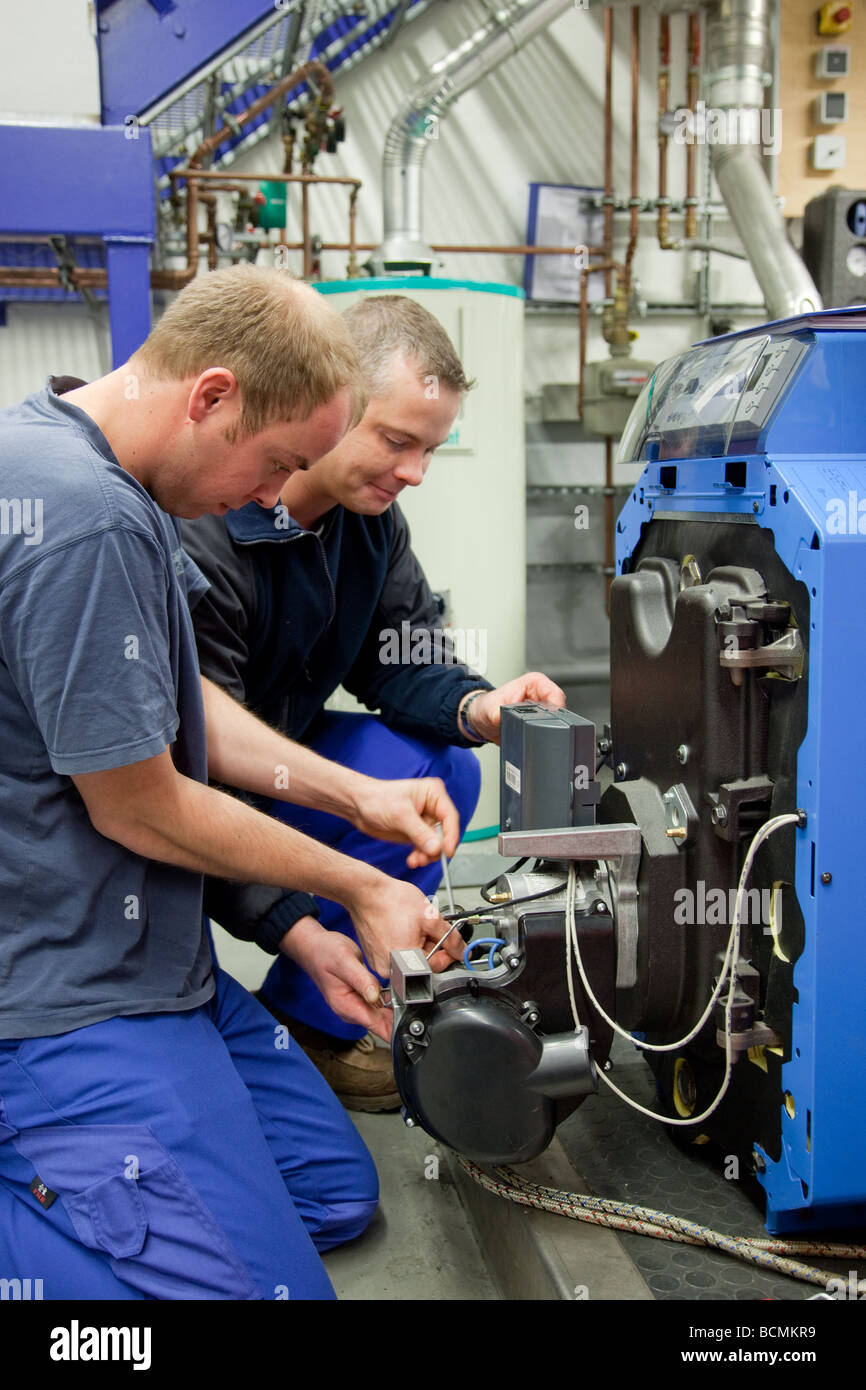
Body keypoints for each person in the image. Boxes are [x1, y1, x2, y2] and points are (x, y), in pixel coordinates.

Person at [0, 266, 464, 1301]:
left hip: (159, 962)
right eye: (277, 463)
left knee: (333, 1195)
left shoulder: (77, 463)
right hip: (60, 1001)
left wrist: (360, 803)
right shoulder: (89, 519)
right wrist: (356, 886)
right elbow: (140, 801)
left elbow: (180, 718)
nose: (268, 498)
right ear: (211, 395)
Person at [181, 294, 565, 1112]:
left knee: (443, 771)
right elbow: (188, 774)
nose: (415, 472)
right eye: (397, 441)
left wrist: (480, 706)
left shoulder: (370, 526)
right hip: (185, 788)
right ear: (331, 404)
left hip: (281, 754)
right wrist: (299, 916)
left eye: (430, 449)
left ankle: (317, 1017)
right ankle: (289, 969)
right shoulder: (208, 525)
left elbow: (401, 659)